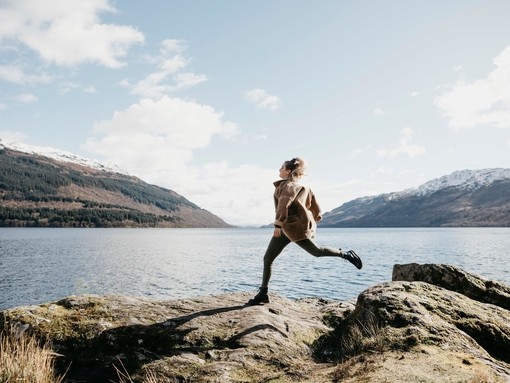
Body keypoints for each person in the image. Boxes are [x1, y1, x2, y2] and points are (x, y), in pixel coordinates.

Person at [247, 157, 362, 306]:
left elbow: (283, 205)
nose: (279, 170)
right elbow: (313, 201)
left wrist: (277, 225)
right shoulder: (302, 186)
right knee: (268, 258)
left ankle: (345, 254)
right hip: (288, 228)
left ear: (288, 171)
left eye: (281, 168)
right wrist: (317, 213)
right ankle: (263, 293)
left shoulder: (287, 186)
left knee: (317, 251)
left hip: (292, 228)